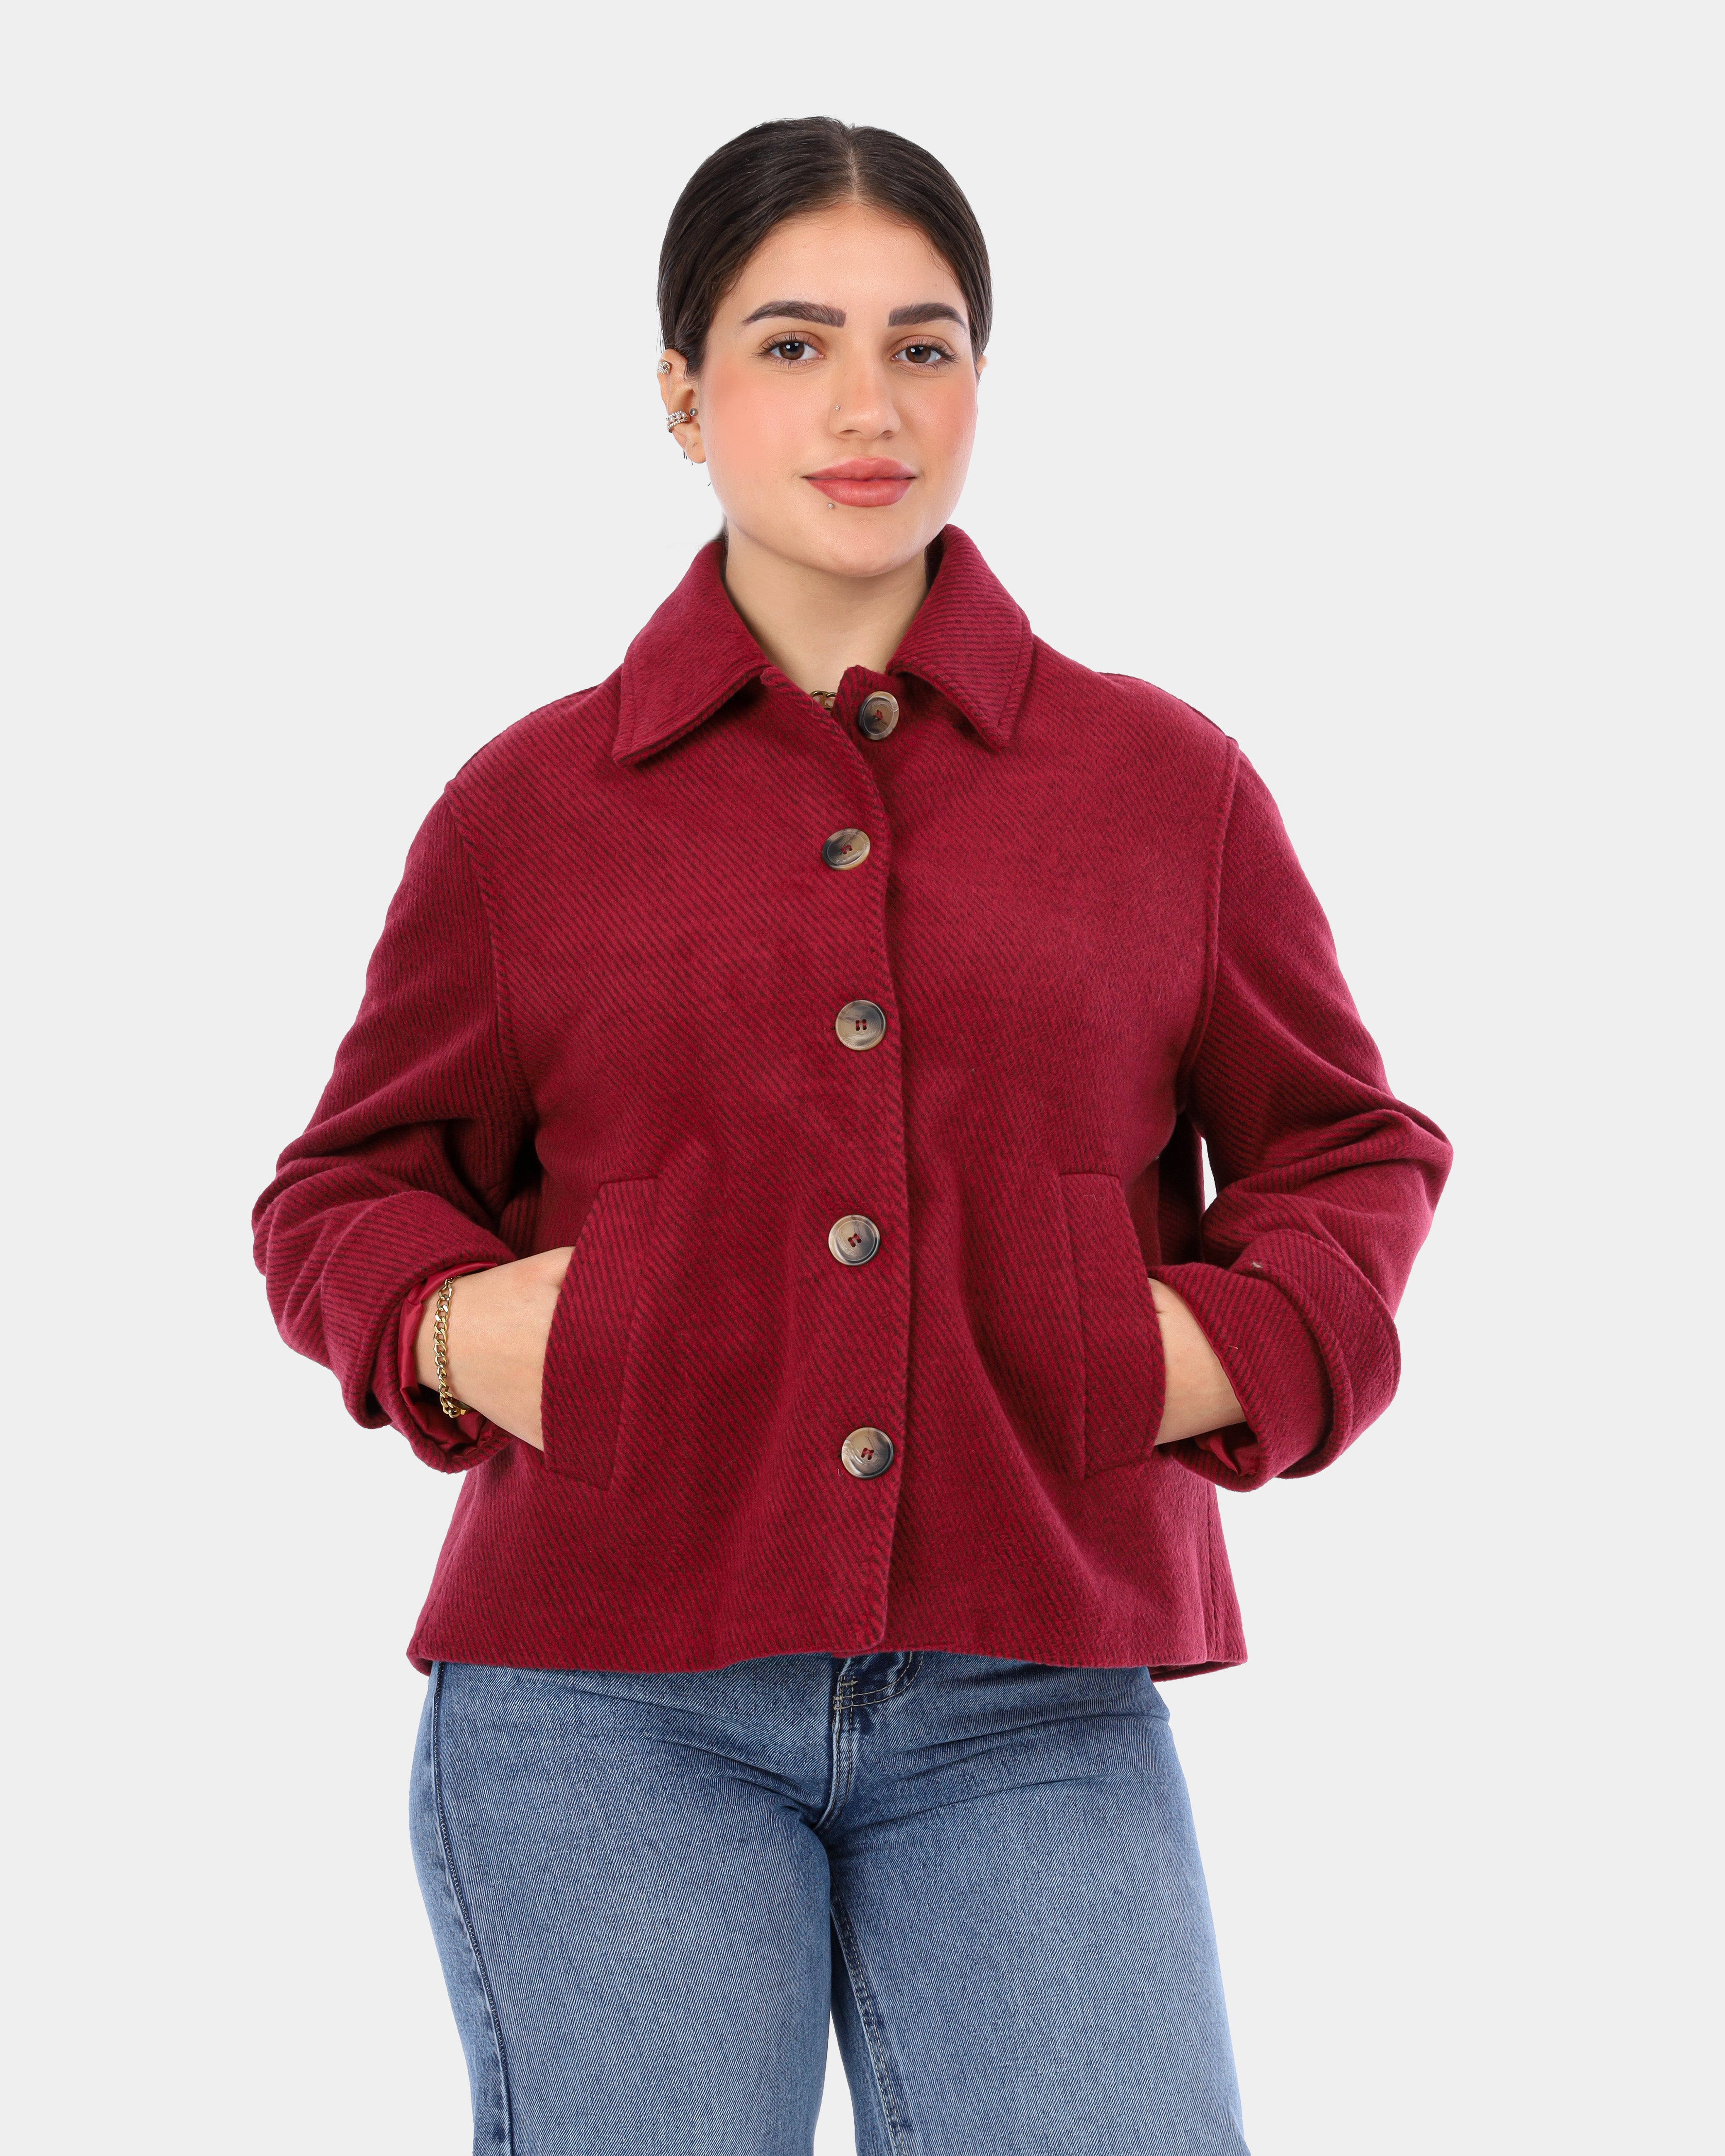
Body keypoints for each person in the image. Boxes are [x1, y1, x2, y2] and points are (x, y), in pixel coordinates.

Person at [253, 115, 1452, 2156]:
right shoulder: (527, 810)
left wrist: (1192, 1352)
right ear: (680, 393)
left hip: (1036, 1684)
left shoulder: (1162, 786)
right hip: (596, 1696)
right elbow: (344, 1188)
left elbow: (1347, 1148)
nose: (866, 408)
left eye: (922, 344)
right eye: (793, 344)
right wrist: (456, 1328)